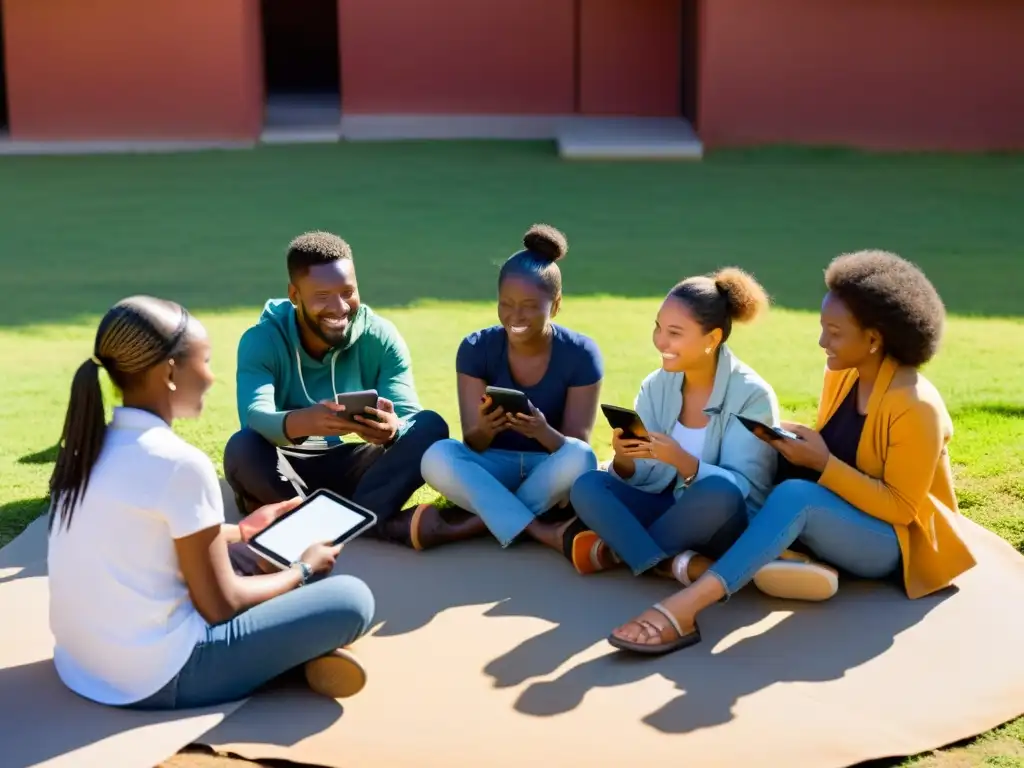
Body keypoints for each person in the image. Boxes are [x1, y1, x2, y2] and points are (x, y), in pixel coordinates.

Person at [607, 250, 977, 656]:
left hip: (893, 543)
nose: (822, 341)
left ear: (873, 339)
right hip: (843, 514)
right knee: (778, 475)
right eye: (823, 328)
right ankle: (785, 560)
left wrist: (822, 463)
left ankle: (685, 607)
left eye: (834, 332)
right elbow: (842, 454)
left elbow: (902, 509)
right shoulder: (841, 376)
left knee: (794, 496)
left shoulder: (916, 405)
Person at [46, 296, 376, 710]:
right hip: (158, 676)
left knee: (246, 553)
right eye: (204, 362)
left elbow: (137, 531)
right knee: (350, 600)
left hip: (80, 664)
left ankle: (292, 649)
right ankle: (294, 659)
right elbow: (221, 606)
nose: (212, 377)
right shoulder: (180, 464)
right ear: (170, 372)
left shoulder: (88, 446)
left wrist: (241, 530)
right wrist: (304, 568)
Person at [224, 231, 480, 557]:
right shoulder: (262, 340)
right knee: (242, 447)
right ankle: (376, 522)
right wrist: (307, 421)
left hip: (354, 469)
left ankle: (306, 520)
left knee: (430, 427)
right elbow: (255, 418)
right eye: (322, 296)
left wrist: (391, 429)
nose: (340, 307)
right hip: (286, 467)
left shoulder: (380, 336)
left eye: (348, 292)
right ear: (294, 294)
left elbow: (409, 415)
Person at [568, 268, 779, 577]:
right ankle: (670, 563)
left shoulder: (752, 395)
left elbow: (744, 490)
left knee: (719, 491)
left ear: (713, 338)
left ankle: (622, 551)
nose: (660, 341)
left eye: (675, 333)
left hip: (719, 520)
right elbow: (644, 478)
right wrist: (625, 458)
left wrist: (685, 463)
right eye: (658, 328)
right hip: (662, 506)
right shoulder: (656, 385)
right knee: (588, 485)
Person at [420, 224, 603, 551]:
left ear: (556, 304)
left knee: (582, 458)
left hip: (546, 470)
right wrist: (486, 429)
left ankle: (478, 522)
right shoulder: (476, 347)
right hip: (491, 467)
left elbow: (575, 445)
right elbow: (472, 443)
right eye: (507, 303)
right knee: (437, 456)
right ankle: (540, 530)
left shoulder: (581, 353)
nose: (515, 315)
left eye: (531, 305)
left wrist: (542, 431)